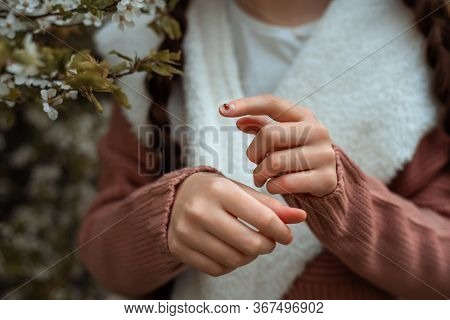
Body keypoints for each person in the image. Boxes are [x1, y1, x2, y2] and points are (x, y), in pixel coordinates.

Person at [78, 0, 450, 299]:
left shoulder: (423, 43)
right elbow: (101, 250)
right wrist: (164, 218)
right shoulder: (146, 46)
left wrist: (346, 200)